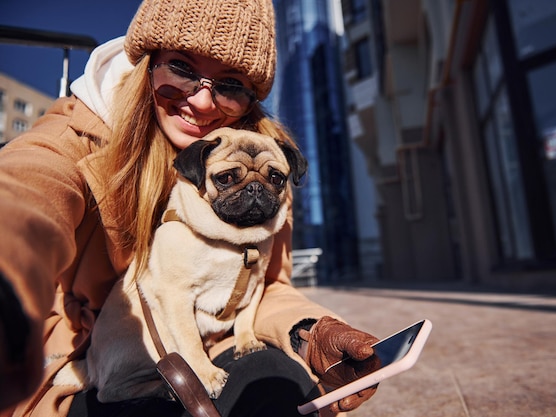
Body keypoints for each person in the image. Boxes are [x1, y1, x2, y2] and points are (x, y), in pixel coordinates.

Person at [0, 1, 379, 416]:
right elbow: (28, 188)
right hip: (100, 361)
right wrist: (11, 272)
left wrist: (312, 332)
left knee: (279, 384)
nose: (201, 102)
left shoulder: (268, 159)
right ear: (147, 64)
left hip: (216, 344)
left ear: (250, 98)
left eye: (230, 84)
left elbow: (264, 285)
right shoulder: (74, 137)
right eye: (180, 68)